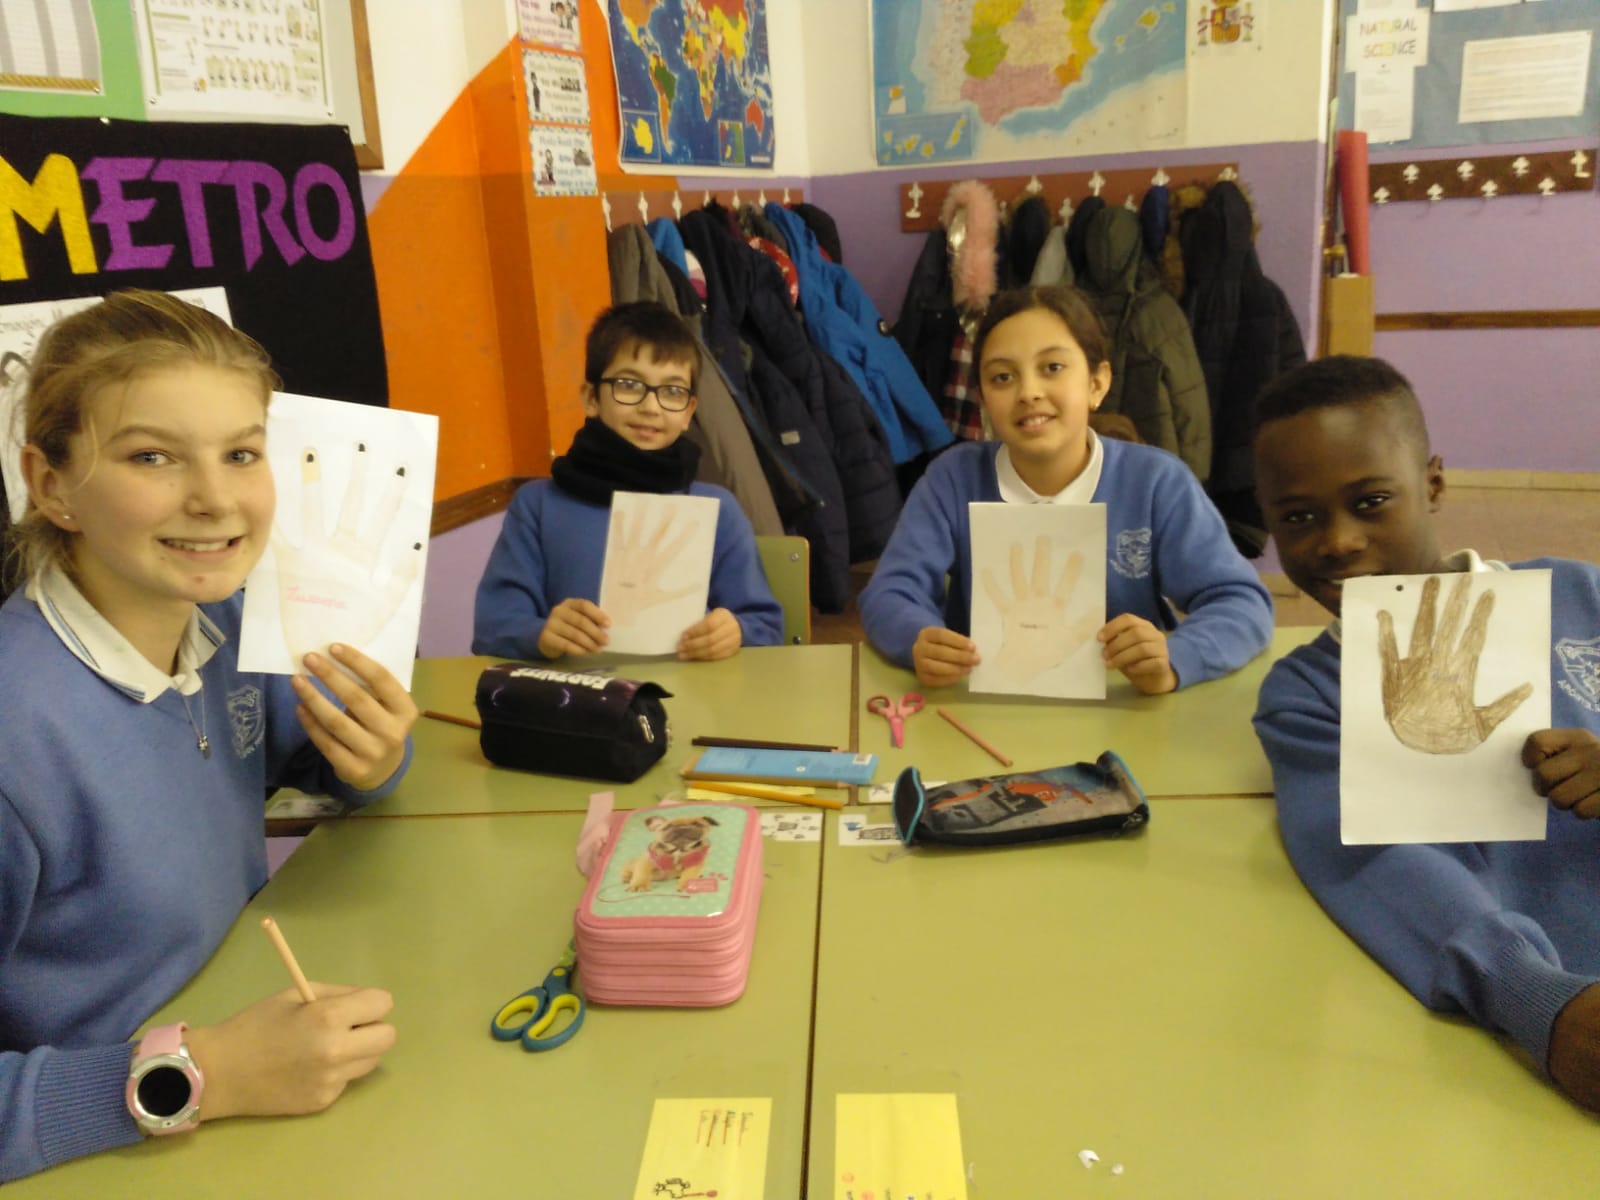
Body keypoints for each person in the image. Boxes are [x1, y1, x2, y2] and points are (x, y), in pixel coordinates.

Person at [0, 290, 418, 1182]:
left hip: (242, 1068)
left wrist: (373, 758)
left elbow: (321, 758)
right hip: (109, 1145)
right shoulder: (17, 732)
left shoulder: (225, 626)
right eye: (152, 456)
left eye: (241, 454)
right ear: (51, 484)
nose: (217, 499)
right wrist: (207, 1074)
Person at [1251, 354, 1600, 1112]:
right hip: (1542, 1033)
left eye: (1371, 501)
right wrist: (1542, 1000)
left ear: (1433, 484)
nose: (1339, 540)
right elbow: (1375, 866)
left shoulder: (1583, 595)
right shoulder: (1308, 697)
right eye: (1299, 517)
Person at [859, 284, 1273, 693]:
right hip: (985, 703)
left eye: (1052, 367)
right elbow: (890, 592)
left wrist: (1176, 657)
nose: (1029, 392)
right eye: (1003, 377)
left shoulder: (1157, 483)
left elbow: (1241, 601)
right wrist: (917, 638)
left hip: (1130, 705)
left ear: (1097, 383)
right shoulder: (953, 478)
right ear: (983, 399)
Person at [472, 301, 783, 661]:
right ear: (591, 397)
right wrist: (539, 634)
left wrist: (736, 632)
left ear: (688, 412)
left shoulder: (717, 509)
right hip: (572, 691)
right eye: (629, 385)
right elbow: (493, 627)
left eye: (672, 391)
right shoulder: (538, 505)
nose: (650, 407)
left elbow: (766, 626)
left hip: (691, 690)